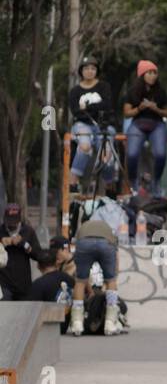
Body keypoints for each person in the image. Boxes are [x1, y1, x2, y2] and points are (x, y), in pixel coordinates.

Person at [68, 203, 123, 335]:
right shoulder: (108, 228)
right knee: (111, 280)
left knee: (80, 281)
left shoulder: (84, 226)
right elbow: (116, 257)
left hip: (84, 242)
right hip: (106, 243)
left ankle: (77, 322)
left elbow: (75, 243)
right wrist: (113, 277)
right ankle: (110, 322)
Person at [67, 55, 117, 193]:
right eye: (86, 68)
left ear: (97, 71)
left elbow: (107, 105)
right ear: (81, 71)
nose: (90, 71)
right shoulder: (75, 91)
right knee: (84, 146)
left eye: (93, 68)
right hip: (82, 125)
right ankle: (73, 183)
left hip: (103, 126)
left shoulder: (104, 87)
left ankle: (109, 186)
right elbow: (76, 111)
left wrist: (88, 107)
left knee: (106, 155)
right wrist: (95, 108)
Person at [122, 60, 167, 195]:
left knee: (160, 154)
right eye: (149, 73)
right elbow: (127, 113)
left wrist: (156, 109)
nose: (153, 76)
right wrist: (139, 108)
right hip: (138, 123)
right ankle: (133, 181)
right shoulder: (132, 92)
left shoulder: (161, 91)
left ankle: (156, 180)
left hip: (157, 123)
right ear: (142, 74)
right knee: (132, 154)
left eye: (155, 73)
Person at [29, 239, 77, 331]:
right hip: (64, 325)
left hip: (48, 327)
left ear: (38, 266)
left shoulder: (38, 284)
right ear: (56, 262)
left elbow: (31, 310)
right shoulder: (69, 279)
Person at [0, 203, 40, 301]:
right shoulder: (0, 230)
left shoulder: (28, 231)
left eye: (14, 221)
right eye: (9, 221)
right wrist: (1, 243)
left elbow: (38, 255)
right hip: (4, 282)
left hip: (23, 283)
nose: (12, 225)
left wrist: (24, 244)